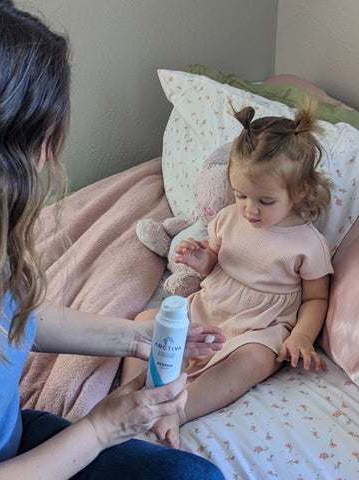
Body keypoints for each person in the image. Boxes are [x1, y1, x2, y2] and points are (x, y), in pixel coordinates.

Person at [0, 1, 228, 479]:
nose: (46, 160)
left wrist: (140, 338)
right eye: (37, 143)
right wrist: (102, 428)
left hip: (12, 443)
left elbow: (19, 315)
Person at [122, 101, 334, 449]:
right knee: (148, 320)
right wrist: (202, 258)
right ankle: (132, 393)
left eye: (265, 201)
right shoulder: (227, 218)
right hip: (211, 305)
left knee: (255, 359)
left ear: (299, 192)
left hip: (259, 324)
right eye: (241, 196)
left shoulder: (309, 244)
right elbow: (217, 264)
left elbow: (316, 298)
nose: (250, 209)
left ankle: (180, 410)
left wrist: (302, 337)